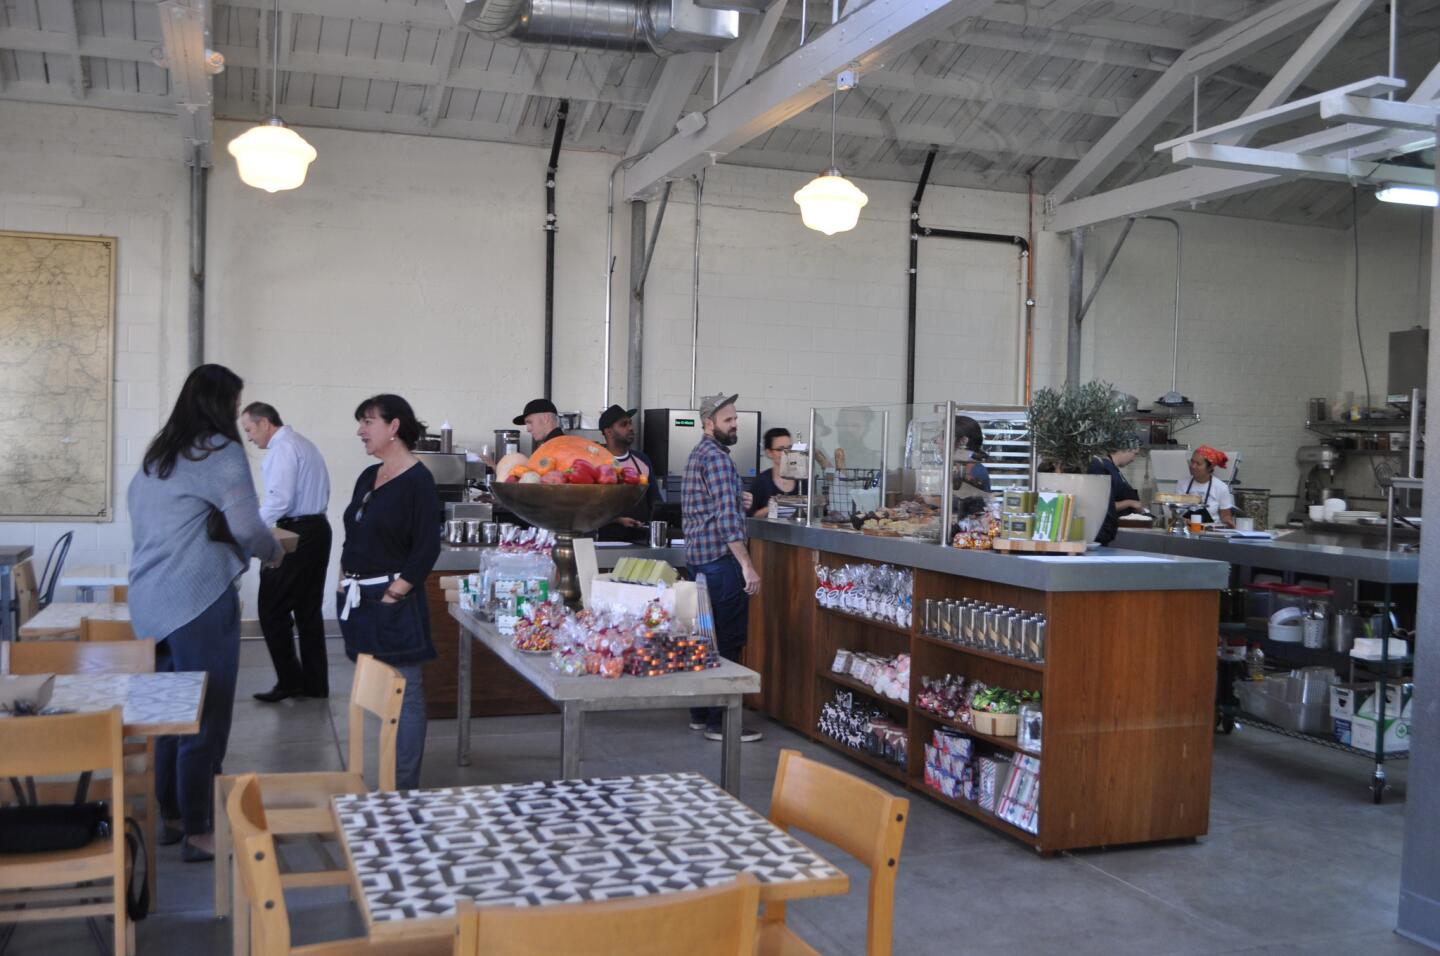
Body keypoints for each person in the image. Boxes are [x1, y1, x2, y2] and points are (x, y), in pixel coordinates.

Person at [128, 364, 283, 863]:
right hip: (196, 599)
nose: (239, 417)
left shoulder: (160, 456)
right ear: (221, 404)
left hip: (149, 599)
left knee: (170, 714)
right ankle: (199, 830)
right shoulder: (221, 452)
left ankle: (172, 815)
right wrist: (274, 553)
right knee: (206, 714)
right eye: (236, 406)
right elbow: (247, 526)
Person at [336, 394, 442, 790]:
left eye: (368, 421)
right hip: (359, 596)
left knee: (405, 691)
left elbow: (426, 548)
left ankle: (402, 786)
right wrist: (343, 579)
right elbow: (356, 531)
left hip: (392, 599)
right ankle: (382, 770)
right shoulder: (369, 476)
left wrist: (393, 595)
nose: (361, 431)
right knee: (377, 688)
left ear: (394, 426)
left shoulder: (418, 481)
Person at [682, 393, 762, 743]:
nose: (735, 425)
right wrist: (747, 565)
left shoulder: (698, 455)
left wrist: (738, 498)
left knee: (704, 639)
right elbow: (728, 523)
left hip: (699, 562)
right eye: (728, 420)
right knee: (727, 641)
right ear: (708, 423)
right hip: (720, 563)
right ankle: (720, 722)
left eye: (735, 420)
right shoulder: (717, 459)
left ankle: (701, 713)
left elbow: (714, 507)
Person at [242, 402, 333, 703]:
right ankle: (315, 684)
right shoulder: (304, 444)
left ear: (266, 423)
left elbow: (279, 500)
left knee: (271, 608)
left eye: (250, 429)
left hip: (297, 534)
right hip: (317, 529)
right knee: (308, 610)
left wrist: (250, 530)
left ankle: (290, 681)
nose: (250, 438)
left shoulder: (283, 448)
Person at [596, 404, 657, 541]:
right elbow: (588, 509)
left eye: (630, 423)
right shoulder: (596, 461)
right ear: (609, 432)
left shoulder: (642, 460)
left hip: (641, 540)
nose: (630, 428)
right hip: (607, 541)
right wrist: (617, 520)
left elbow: (654, 500)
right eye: (624, 424)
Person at [1087, 448, 1145, 545]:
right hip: (1098, 533)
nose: (1133, 459)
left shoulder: (1113, 469)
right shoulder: (1101, 467)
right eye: (1135, 454)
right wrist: (1130, 503)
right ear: (1125, 449)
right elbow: (1101, 504)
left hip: (1107, 532)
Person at [748, 427, 803, 518]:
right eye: (780, 449)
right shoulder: (761, 482)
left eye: (789, 448)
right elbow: (750, 518)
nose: (786, 453)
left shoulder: (802, 480)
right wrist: (771, 509)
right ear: (769, 452)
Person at [1183, 445, 1236, 528]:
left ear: (1210, 467)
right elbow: (1176, 511)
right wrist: (1181, 519)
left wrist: (1228, 521)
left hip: (1210, 532)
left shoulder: (1221, 487)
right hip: (1186, 530)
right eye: (1192, 462)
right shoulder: (1182, 483)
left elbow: (1225, 515)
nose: (1193, 466)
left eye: (1198, 464)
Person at [953, 416, 992, 492]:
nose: (938, 441)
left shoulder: (978, 471)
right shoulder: (948, 465)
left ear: (963, 441)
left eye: (944, 436)